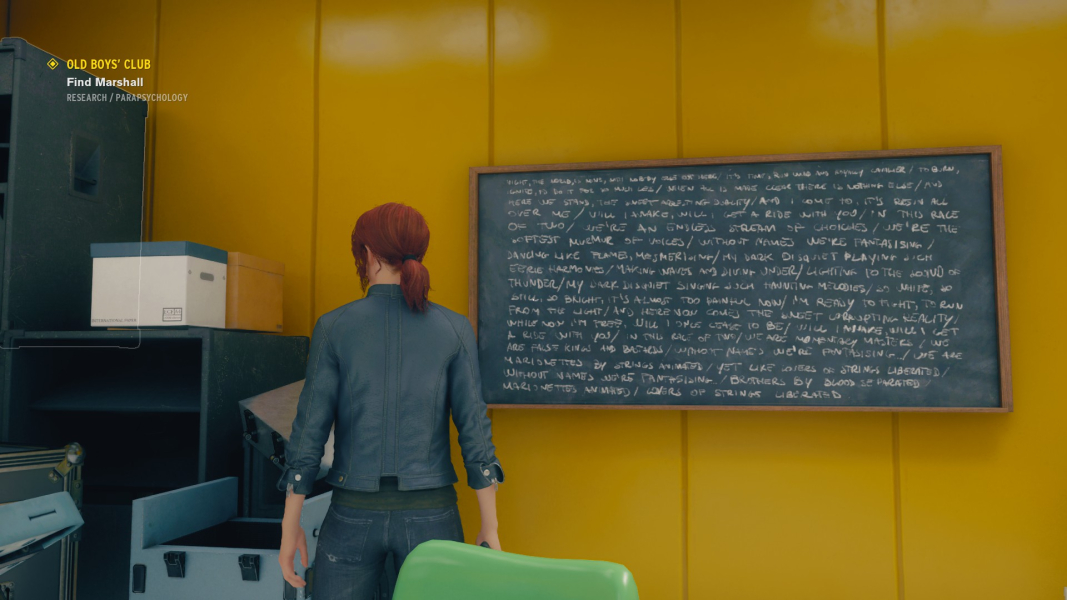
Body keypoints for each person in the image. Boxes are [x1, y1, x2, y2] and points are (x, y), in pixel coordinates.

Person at [277, 202, 504, 598]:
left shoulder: (334, 327)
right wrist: (491, 525)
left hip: (352, 512)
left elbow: (309, 431)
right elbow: (475, 434)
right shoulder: (454, 328)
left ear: (366, 253)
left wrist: (289, 526)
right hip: (433, 516)